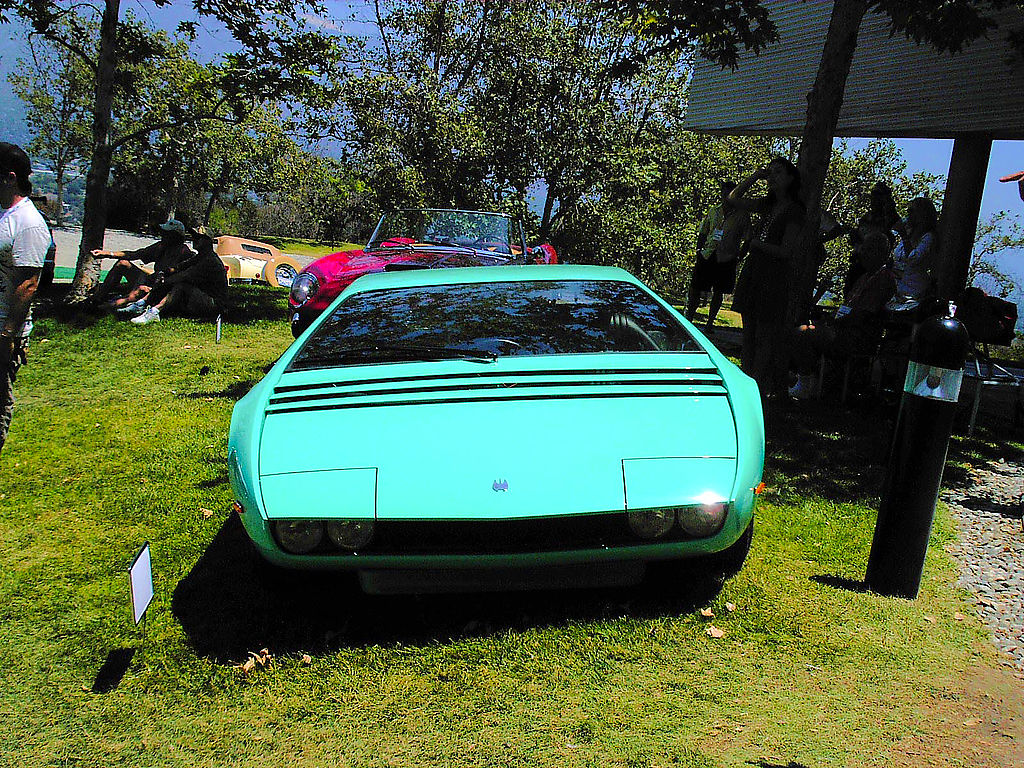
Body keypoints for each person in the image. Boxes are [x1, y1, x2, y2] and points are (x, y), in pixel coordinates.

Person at [728, 157, 807, 399]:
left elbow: (786, 250)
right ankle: (745, 381)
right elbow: (733, 199)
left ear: (791, 178)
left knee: (765, 335)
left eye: (778, 173)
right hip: (754, 271)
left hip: (773, 277)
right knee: (748, 332)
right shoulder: (767, 204)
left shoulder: (794, 210)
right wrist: (755, 175)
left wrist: (756, 244)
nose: (772, 177)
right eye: (770, 173)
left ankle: (758, 387)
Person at [788, 230, 896, 399]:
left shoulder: (883, 278)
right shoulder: (865, 276)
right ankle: (808, 379)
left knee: (803, 332)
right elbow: (848, 307)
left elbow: (862, 315)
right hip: (843, 328)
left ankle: (806, 383)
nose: (861, 254)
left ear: (880, 253)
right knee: (800, 325)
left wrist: (834, 323)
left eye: (867, 249)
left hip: (858, 336)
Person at [0, 142, 50, 455]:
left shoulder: (29, 223)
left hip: (4, 329)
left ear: (10, 177)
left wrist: (7, 334)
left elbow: (28, 284)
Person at [686, 180, 751, 332]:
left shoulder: (742, 216)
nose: (726, 196)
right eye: (724, 192)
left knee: (719, 291)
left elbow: (748, 238)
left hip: (727, 257)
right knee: (696, 288)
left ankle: (709, 324)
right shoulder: (714, 211)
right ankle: (688, 319)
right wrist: (699, 250)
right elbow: (704, 231)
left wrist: (739, 256)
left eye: (730, 193)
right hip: (708, 254)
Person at [88, 218, 193, 310]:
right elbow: (136, 254)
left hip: (160, 289)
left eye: (166, 233)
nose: (162, 235)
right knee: (123, 263)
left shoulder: (184, 253)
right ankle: (98, 298)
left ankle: (98, 308)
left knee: (133, 295)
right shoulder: (161, 247)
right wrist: (107, 254)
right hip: (151, 280)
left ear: (175, 236)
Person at [129, 229, 228, 325]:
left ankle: (155, 311)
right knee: (171, 280)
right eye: (194, 237)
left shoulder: (210, 261)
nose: (194, 240)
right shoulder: (200, 257)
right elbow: (178, 268)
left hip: (215, 305)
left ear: (207, 241)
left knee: (181, 286)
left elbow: (184, 276)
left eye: (198, 238)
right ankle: (142, 303)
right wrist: (163, 273)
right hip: (201, 298)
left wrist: (163, 281)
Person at [889, 197, 939, 304]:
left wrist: (903, 235)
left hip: (913, 291)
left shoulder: (928, 237)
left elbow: (913, 258)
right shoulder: (909, 235)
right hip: (897, 289)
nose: (908, 213)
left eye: (911, 211)